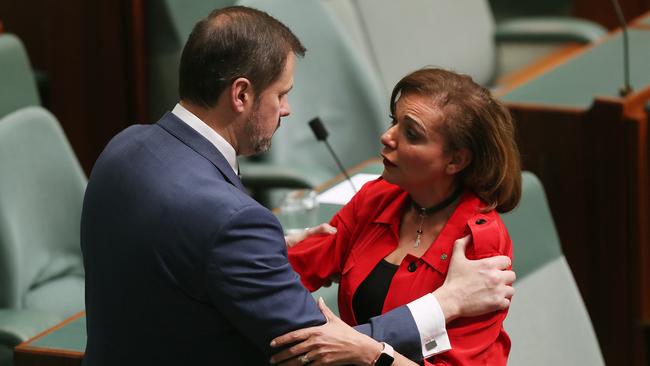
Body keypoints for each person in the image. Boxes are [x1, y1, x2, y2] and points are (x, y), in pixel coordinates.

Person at [80, 6, 514, 366]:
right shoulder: (235, 222)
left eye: (412, 132)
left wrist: (269, 245)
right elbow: (310, 343)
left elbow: (186, 250)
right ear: (242, 95)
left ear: (457, 160)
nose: (287, 110)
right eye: (281, 94)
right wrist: (445, 304)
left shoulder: (123, 148)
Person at [273, 68, 521, 365]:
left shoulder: (479, 244)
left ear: (455, 160)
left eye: (411, 134)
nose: (387, 137)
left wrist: (367, 352)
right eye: (394, 122)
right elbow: (295, 268)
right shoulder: (378, 198)